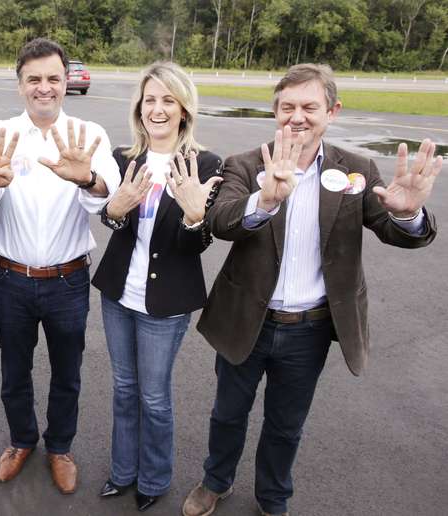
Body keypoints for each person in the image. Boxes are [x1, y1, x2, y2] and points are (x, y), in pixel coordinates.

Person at [181, 63, 441, 516]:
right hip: (247, 321)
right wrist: (264, 200)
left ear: (332, 111)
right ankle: (215, 481)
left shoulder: (355, 170)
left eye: (309, 107)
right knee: (227, 414)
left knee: (286, 425)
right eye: (287, 107)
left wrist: (406, 213)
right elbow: (221, 222)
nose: (297, 116)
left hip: (309, 329)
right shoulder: (244, 163)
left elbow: (392, 227)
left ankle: (273, 497)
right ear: (275, 111)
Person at [0, 38, 121, 494]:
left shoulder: (88, 135)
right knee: (14, 370)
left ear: (66, 82)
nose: (44, 87)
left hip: (68, 280)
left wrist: (88, 178)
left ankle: (60, 447)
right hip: (11, 278)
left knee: (66, 372)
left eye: (53, 78)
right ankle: (21, 441)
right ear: (20, 86)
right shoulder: (0, 134)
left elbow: (105, 199)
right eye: (34, 79)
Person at [91, 61, 223, 512]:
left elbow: (197, 243)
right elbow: (109, 219)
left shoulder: (204, 163)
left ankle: (153, 478)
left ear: (184, 109)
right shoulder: (123, 158)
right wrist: (116, 208)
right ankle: (122, 472)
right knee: (124, 388)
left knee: (153, 396)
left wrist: (193, 215)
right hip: (118, 294)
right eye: (150, 99)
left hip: (165, 302)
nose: (158, 109)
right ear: (139, 108)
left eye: (168, 100)